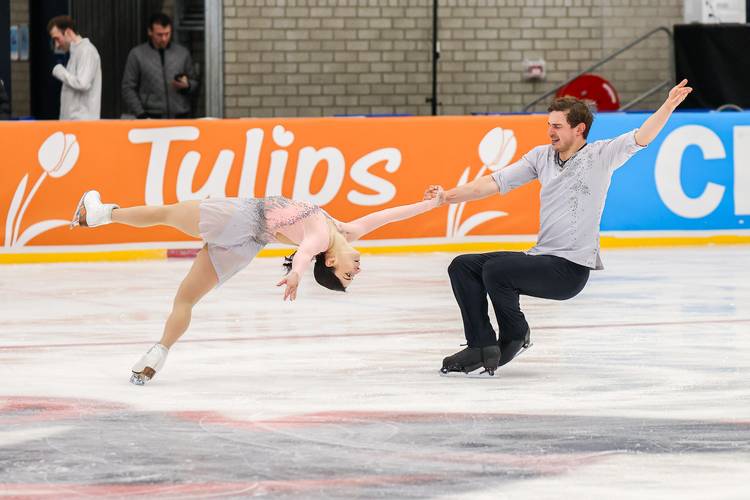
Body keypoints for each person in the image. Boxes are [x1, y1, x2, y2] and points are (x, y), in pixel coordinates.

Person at [425, 79, 693, 377]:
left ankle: (514, 335)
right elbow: (492, 183)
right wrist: (446, 196)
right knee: (463, 266)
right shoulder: (542, 157)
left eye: (558, 126)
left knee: (496, 270)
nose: (550, 131)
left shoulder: (601, 156)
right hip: (541, 257)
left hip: (569, 269)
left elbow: (642, 137)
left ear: (579, 129)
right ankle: (480, 344)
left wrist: (668, 105)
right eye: (548, 125)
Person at [70, 191, 443, 384]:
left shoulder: (322, 237)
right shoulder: (346, 229)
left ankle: (103, 214)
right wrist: (430, 205)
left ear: (330, 262)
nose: (356, 272)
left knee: (166, 214)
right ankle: (158, 353)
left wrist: (297, 272)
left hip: (241, 217)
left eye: (347, 276)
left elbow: (305, 250)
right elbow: (390, 215)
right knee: (186, 298)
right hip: (248, 244)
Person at [121, 13, 198, 119]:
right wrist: (141, 114)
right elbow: (128, 87)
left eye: (167, 34)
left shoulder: (182, 53)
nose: (164, 39)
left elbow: (194, 82)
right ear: (150, 32)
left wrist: (187, 85)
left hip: (180, 115)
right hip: (150, 115)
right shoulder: (137, 54)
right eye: (160, 34)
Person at [47, 16, 102, 120]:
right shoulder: (77, 52)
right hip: (74, 125)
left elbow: (83, 83)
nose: (57, 45)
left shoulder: (86, 51)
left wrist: (60, 71)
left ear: (68, 32)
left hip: (82, 125)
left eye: (57, 38)